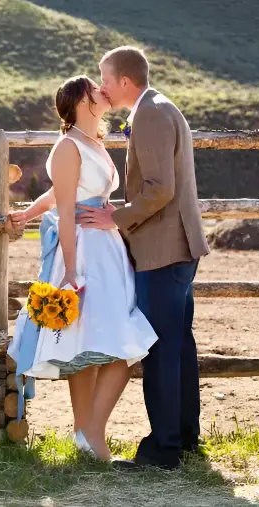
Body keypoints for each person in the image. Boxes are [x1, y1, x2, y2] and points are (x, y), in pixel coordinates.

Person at [7, 74, 157, 462]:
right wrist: (71, 270)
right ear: (80, 101)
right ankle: (88, 434)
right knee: (108, 343)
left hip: (108, 250)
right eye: (95, 88)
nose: (103, 91)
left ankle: (87, 435)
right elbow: (67, 208)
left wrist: (27, 211)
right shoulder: (68, 147)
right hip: (84, 252)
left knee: (100, 342)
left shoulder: (94, 142)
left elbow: (60, 191)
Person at [78, 45, 210, 471]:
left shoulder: (151, 113)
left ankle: (163, 450)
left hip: (163, 250)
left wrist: (115, 218)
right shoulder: (159, 106)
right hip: (178, 249)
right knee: (178, 346)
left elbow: (158, 189)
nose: (102, 86)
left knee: (161, 349)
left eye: (105, 78)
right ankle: (185, 439)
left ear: (125, 82)